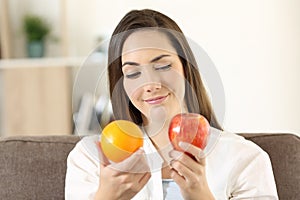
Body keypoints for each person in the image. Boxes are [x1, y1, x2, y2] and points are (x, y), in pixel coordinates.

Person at [65, 9, 278, 199]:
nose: (150, 84)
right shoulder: (89, 159)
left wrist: (201, 195)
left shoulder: (245, 158)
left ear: (186, 68)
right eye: (133, 73)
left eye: (163, 66)